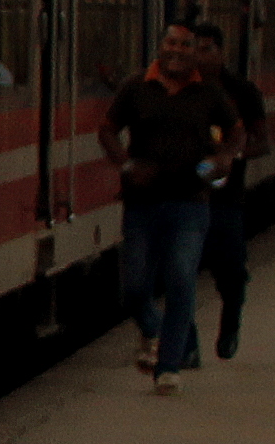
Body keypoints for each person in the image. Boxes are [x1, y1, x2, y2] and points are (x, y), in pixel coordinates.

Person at [104, 20, 244, 386]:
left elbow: (237, 132)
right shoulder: (135, 88)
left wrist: (225, 157)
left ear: (196, 53)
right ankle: (152, 328)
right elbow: (106, 130)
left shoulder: (209, 93)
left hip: (190, 201)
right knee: (134, 288)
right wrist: (126, 163)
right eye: (172, 43)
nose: (178, 51)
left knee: (181, 277)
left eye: (187, 46)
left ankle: (169, 367)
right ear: (160, 47)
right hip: (142, 203)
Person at [190, 17, 265, 359]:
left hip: (226, 198)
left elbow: (261, 141)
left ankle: (231, 321)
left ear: (221, 52)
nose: (200, 57)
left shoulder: (242, 92)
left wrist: (230, 156)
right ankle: (186, 346)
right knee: (181, 272)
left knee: (232, 269)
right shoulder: (180, 92)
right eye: (195, 49)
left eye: (207, 50)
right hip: (186, 196)